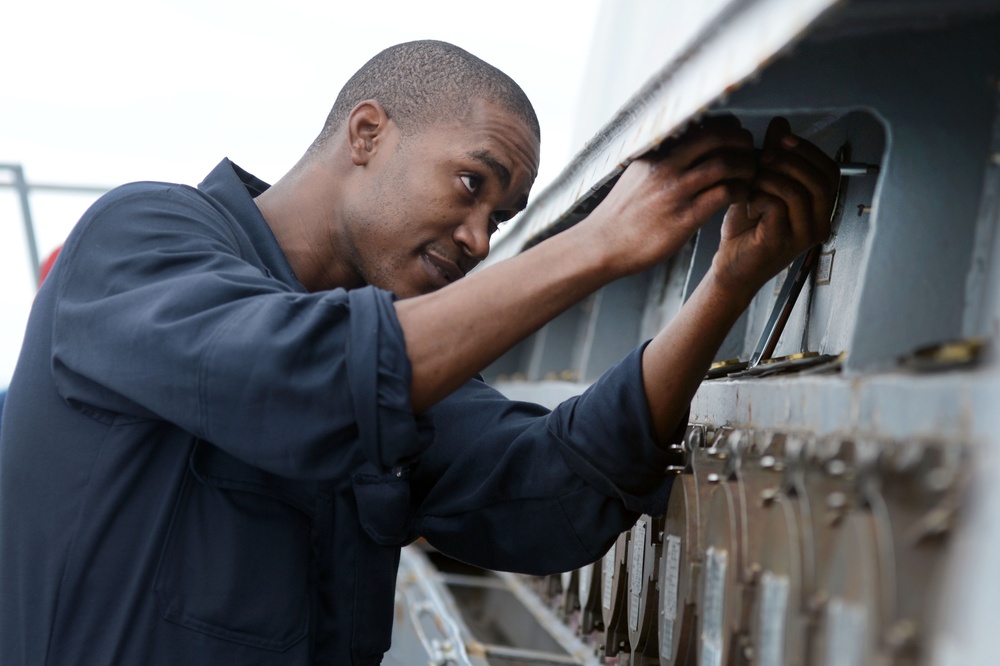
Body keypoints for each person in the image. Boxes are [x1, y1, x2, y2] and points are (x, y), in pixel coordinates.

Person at [0, 40, 837, 665]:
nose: (479, 239)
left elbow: (548, 493)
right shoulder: (138, 237)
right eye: (473, 184)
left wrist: (724, 289)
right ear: (367, 133)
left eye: (501, 221)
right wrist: (599, 245)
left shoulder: (403, 346)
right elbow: (310, 383)